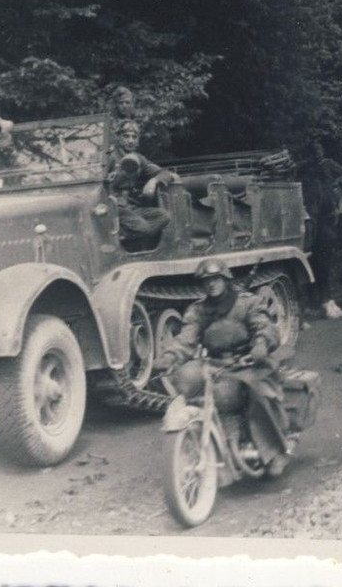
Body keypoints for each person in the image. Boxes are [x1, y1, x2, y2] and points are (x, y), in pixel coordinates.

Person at [154, 258, 290, 476]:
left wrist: (261, 345)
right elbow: (186, 339)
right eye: (206, 280)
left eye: (216, 279)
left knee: (260, 392)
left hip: (248, 361)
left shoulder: (247, 302)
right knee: (185, 381)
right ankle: (198, 439)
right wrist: (170, 357)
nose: (211, 284)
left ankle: (274, 452)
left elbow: (264, 327)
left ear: (226, 279)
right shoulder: (197, 311)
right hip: (215, 363)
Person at [300, 141, 342, 319]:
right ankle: (318, 299)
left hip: (331, 196)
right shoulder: (307, 168)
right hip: (315, 203)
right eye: (314, 151)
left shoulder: (329, 164)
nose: (317, 154)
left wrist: (337, 182)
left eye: (319, 150)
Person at [106, 119, 176, 249]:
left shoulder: (138, 158)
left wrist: (153, 181)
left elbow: (164, 173)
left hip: (131, 206)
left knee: (165, 216)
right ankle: (120, 235)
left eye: (134, 137)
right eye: (126, 136)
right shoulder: (109, 156)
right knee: (143, 228)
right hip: (114, 207)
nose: (131, 140)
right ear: (118, 138)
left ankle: (126, 234)